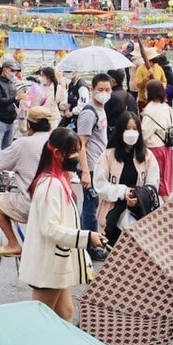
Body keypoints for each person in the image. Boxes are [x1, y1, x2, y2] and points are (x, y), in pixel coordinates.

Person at [20, 128, 106, 322]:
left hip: (58, 260)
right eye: (73, 152)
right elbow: (51, 228)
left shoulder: (59, 181)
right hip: (49, 263)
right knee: (40, 318)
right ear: (58, 154)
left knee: (65, 313)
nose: (76, 157)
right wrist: (87, 237)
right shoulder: (51, 186)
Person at [0, 106, 53, 257]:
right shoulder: (57, 143)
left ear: (29, 124)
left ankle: (13, 243)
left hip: (31, 203)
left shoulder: (24, 144)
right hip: (56, 203)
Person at [92, 111, 161, 242]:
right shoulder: (107, 156)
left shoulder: (148, 156)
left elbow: (153, 183)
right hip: (112, 217)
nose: (131, 132)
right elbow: (100, 184)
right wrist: (124, 192)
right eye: (127, 128)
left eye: (135, 129)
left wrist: (138, 196)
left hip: (139, 217)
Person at [74, 73, 112, 247]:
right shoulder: (88, 113)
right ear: (92, 90)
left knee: (92, 205)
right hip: (90, 166)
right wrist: (85, 172)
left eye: (107, 89)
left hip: (98, 164)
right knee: (90, 207)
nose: (104, 93)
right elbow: (80, 144)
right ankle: (89, 246)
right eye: (100, 89)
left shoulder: (101, 107)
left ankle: (85, 241)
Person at [139, 79, 173, 196]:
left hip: (154, 148)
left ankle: (167, 206)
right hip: (166, 147)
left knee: (156, 178)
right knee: (165, 177)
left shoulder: (149, 111)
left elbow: (144, 134)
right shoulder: (167, 107)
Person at [0, 56, 21, 153]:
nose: (14, 73)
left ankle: (4, 168)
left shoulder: (11, 83)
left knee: (7, 150)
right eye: (12, 70)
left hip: (11, 120)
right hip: (0, 120)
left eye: (15, 71)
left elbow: (15, 101)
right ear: (5, 69)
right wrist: (14, 98)